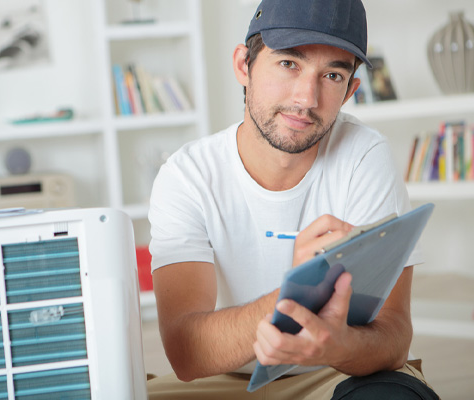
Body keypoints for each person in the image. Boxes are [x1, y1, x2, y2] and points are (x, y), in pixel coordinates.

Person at [146, 0, 439, 398]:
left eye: (332, 75)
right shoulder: (187, 176)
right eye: (289, 64)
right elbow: (187, 353)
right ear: (243, 66)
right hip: (221, 381)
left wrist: (339, 344)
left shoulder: (364, 156)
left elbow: (394, 335)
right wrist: (298, 294)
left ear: (351, 90)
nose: (306, 98)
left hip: (330, 371)